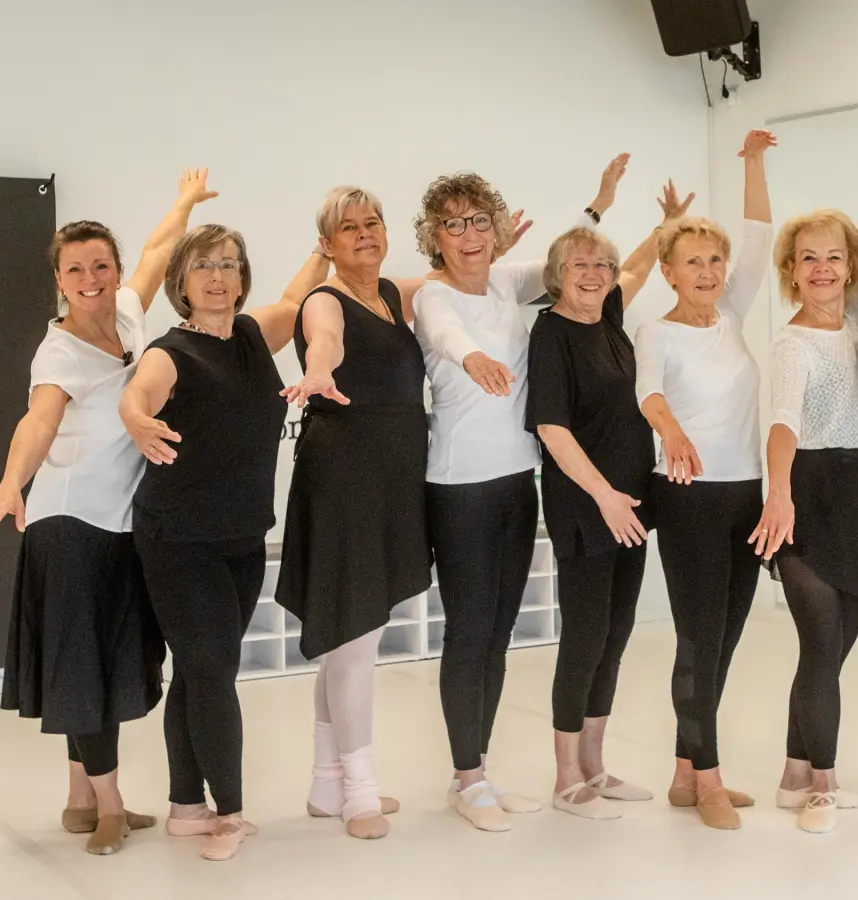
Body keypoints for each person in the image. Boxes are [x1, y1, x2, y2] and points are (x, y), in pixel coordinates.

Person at [0, 170, 217, 855]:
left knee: (105, 664)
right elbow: (37, 422)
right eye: (75, 269)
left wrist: (184, 204)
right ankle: (109, 806)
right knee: (86, 670)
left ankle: (80, 798)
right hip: (70, 528)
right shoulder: (59, 353)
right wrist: (8, 486)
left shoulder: (131, 318)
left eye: (99, 265)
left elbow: (157, 254)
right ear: (59, 280)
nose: (91, 277)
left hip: (118, 527)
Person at [411, 156, 632, 832]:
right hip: (459, 488)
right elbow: (445, 335)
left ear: (497, 230)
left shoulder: (508, 284)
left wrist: (597, 205)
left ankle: (480, 771)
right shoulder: (433, 296)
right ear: (436, 235)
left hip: (517, 482)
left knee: (500, 635)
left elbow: (571, 260)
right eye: (455, 224)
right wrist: (469, 356)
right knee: (469, 630)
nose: (469, 234)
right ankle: (466, 778)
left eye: (480, 221)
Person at [118, 225, 330, 861]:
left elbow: (296, 301)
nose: (219, 277)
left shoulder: (248, 336)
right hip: (178, 539)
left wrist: (323, 247)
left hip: (241, 536)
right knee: (213, 669)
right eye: (206, 266)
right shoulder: (168, 352)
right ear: (182, 280)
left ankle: (187, 806)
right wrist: (134, 417)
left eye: (231, 266)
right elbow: (138, 395)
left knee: (201, 667)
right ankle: (230, 814)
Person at [752, 98, 858, 834]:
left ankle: (794, 769)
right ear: (790, 271)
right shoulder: (792, 343)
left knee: (835, 646)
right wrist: (779, 496)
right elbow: (782, 425)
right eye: (807, 258)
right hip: (809, 494)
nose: (822, 267)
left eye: (832, 257)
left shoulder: (854, 316)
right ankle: (822, 782)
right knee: (822, 646)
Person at [525, 182, 692, 820]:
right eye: (579, 266)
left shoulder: (612, 323)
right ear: (556, 277)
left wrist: (670, 224)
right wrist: (605, 497)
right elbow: (552, 429)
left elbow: (640, 265)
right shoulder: (551, 333)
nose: (593, 275)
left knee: (616, 632)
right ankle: (567, 774)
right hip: (587, 504)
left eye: (601, 265)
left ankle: (596, 764)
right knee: (586, 633)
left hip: (632, 502)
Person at [632, 130, 776, 830]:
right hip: (687, 495)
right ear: (670, 271)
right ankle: (711, 777)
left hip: (745, 491)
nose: (711, 270)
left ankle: (687, 772)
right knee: (698, 637)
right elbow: (649, 394)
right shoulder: (657, 333)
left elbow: (759, 238)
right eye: (694, 261)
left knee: (726, 635)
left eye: (714, 261)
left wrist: (752, 163)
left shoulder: (732, 315)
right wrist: (672, 430)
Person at [276, 186, 428, 840]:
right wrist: (316, 371)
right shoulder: (323, 300)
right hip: (344, 475)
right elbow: (325, 341)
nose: (364, 233)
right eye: (349, 227)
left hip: (389, 478)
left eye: (372, 222)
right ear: (328, 244)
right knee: (356, 634)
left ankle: (323, 783)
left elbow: (460, 276)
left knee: (344, 633)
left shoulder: (391, 294)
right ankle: (359, 791)